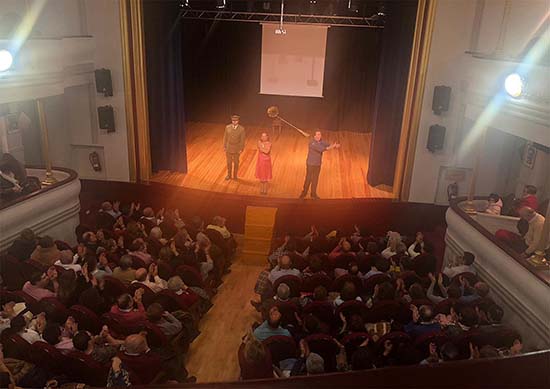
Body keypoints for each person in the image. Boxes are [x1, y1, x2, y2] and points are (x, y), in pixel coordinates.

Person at [299, 130, 340, 200]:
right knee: (308, 179)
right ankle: (304, 193)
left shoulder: (321, 141)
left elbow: (327, 144)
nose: (319, 136)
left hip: (317, 164)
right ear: (314, 136)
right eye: (317, 135)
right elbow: (323, 149)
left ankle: (313, 194)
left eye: (320, 135)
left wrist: (335, 145)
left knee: (315, 179)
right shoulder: (312, 143)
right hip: (310, 164)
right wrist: (333, 146)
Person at [223, 114, 245, 180]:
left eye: (236, 121)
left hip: (236, 148)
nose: (234, 122)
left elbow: (242, 140)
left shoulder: (241, 129)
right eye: (233, 120)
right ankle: (229, 175)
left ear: (238, 121)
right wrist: (224, 146)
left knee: (236, 163)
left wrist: (241, 148)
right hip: (229, 147)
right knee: (229, 163)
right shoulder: (227, 127)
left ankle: (235, 176)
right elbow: (225, 137)